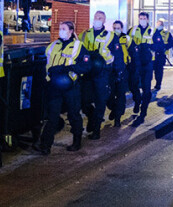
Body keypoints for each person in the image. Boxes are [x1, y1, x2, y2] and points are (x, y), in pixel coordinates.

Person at [34, 21, 91, 154]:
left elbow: (86, 66)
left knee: (73, 114)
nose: (61, 31)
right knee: (53, 116)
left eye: (64, 29)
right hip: (54, 86)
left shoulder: (78, 46)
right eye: (60, 29)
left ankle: (77, 141)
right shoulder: (53, 45)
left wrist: (68, 69)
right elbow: (46, 64)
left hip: (71, 86)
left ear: (71, 31)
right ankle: (45, 146)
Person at [79, 11, 114, 140]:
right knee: (84, 100)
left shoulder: (110, 36)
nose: (97, 20)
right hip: (87, 72)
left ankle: (97, 129)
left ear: (104, 21)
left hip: (102, 72)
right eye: (96, 17)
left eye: (100, 18)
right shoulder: (84, 34)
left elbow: (117, 55)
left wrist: (117, 72)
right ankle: (92, 116)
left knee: (100, 100)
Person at [128, 12, 155, 124]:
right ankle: (137, 100)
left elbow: (159, 46)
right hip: (135, 62)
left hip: (148, 63)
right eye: (141, 18)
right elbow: (127, 43)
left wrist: (148, 46)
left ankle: (143, 112)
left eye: (144, 18)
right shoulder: (132, 30)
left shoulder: (153, 31)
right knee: (133, 86)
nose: (142, 20)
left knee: (146, 88)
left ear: (148, 20)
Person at [106, 20, 131, 127]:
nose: (116, 30)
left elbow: (133, 53)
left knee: (120, 95)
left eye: (118, 28)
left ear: (122, 28)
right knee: (109, 96)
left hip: (122, 70)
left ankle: (118, 119)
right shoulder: (109, 38)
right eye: (114, 27)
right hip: (111, 71)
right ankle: (114, 109)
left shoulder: (126, 38)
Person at [152, 18, 173, 91]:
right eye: (158, 24)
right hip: (153, 54)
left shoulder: (167, 33)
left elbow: (171, 42)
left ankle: (158, 84)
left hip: (161, 54)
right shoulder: (152, 32)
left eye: (160, 24)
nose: (159, 25)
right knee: (152, 70)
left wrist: (165, 47)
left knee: (159, 70)